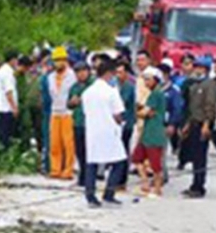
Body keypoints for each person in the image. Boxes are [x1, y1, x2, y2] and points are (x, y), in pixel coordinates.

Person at [81, 58, 128, 207]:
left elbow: (85, 112)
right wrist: (121, 122)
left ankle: (90, 196)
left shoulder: (87, 92)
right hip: (109, 131)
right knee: (120, 162)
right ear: (108, 74)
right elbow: (118, 114)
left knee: (92, 163)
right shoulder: (111, 92)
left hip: (93, 131)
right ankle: (109, 193)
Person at [181, 57, 216, 198]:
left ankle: (199, 186)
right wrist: (187, 124)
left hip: (202, 124)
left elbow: (210, 106)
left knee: (200, 157)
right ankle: (194, 184)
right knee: (194, 156)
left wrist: (207, 125)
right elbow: (193, 108)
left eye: (200, 68)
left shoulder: (210, 85)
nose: (197, 70)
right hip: (194, 123)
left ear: (206, 69)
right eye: (196, 67)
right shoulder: (196, 85)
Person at [132, 67, 167, 197]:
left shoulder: (156, 94)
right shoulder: (155, 94)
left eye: (149, 79)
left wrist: (138, 112)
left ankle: (157, 188)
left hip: (154, 132)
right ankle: (145, 183)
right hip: (148, 131)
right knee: (137, 158)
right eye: (145, 79)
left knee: (155, 164)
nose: (146, 82)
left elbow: (145, 113)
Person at [46, 47, 78, 179]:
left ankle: (68, 170)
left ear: (66, 60)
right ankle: (55, 169)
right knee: (54, 143)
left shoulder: (72, 76)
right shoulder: (50, 77)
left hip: (67, 113)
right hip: (55, 112)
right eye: (55, 60)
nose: (58, 63)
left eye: (60, 60)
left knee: (68, 143)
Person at [70, 58, 95, 186]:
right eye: (78, 72)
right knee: (79, 151)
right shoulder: (74, 87)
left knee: (88, 151)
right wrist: (72, 102)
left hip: (89, 123)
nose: (81, 74)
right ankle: (82, 175)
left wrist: (81, 99)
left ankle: (88, 178)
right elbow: (68, 104)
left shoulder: (93, 85)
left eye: (83, 71)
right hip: (77, 122)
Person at [0, 52, 22, 148]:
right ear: (12, 60)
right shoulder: (7, 73)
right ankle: (6, 153)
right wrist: (14, 107)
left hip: (2, 107)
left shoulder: (2, 70)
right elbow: (9, 92)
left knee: (3, 133)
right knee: (6, 135)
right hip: (7, 108)